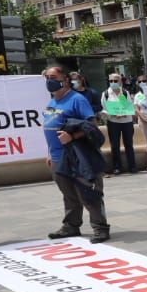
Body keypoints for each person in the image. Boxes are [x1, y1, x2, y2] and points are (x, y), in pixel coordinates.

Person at [43, 65, 110, 243]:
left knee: (89, 194)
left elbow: (92, 125)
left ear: (65, 79)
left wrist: (71, 136)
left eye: (53, 76)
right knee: (69, 196)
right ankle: (71, 226)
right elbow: (51, 127)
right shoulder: (52, 102)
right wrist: (50, 152)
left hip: (78, 156)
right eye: (47, 77)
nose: (49, 80)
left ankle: (100, 228)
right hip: (58, 158)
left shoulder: (77, 99)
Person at [102, 73, 137, 176]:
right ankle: (117, 167)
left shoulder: (125, 93)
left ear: (120, 81)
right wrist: (112, 115)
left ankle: (132, 166)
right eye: (111, 81)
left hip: (126, 122)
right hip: (113, 123)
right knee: (115, 145)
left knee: (129, 144)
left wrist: (122, 113)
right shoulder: (106, 94)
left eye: (115, 81)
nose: (113, 83)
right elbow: (104, 109)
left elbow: (128, 108)